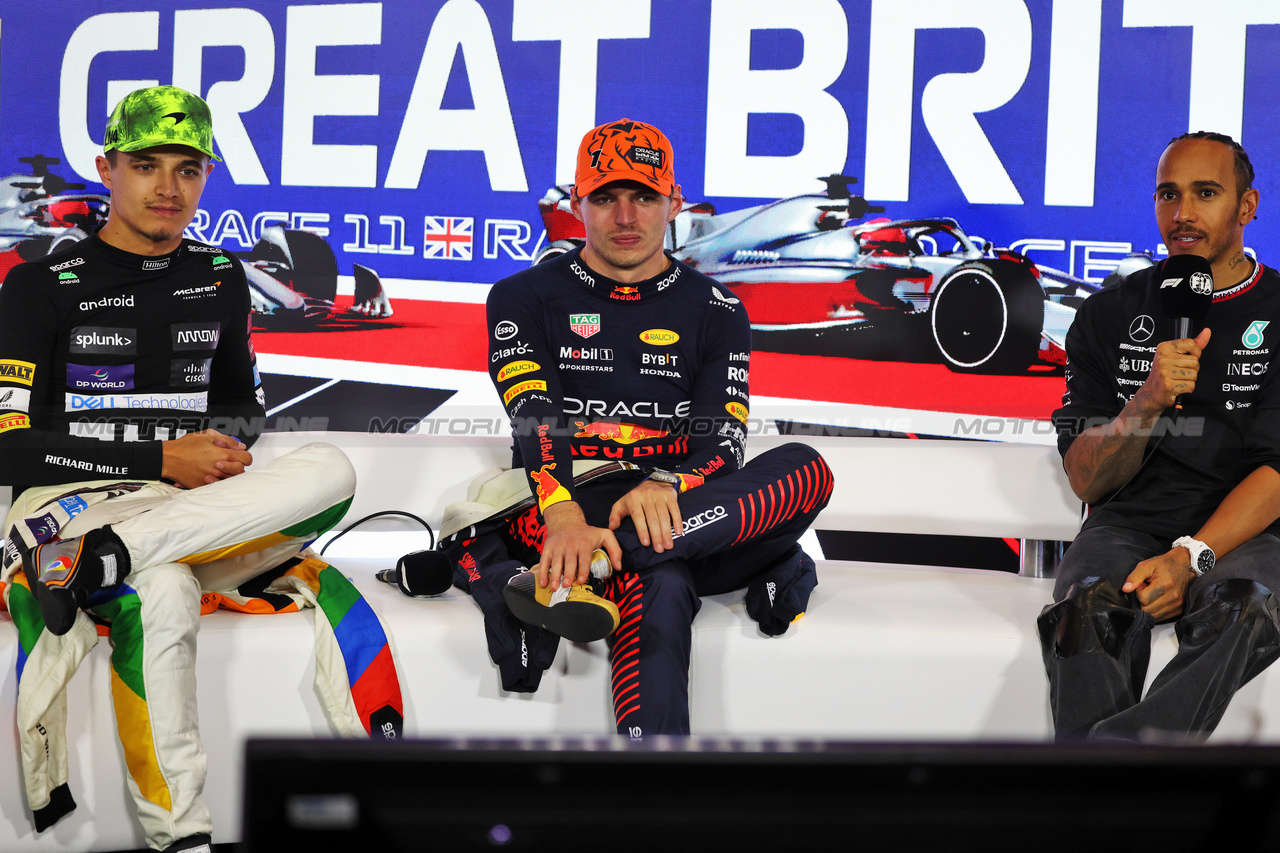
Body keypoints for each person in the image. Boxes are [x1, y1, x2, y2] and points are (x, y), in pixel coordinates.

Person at [0, 86, 402, 853]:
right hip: (71, 507)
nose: (167, 187)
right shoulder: (37, 284)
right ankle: (184, 841)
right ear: (106, 169)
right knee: (165, 587)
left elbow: (243, 415)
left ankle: (101, 565)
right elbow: (6, 445)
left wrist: (224, 451)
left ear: (206, 177)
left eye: (188, 169)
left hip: (176, 513)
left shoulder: (220, 276)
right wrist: (159, 457)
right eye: (146, 165)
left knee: (331, 467)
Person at [451, 118, 833, 737]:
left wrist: (670, 483)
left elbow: (722, 441)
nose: (625, 216)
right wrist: (565, 515)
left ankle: (608, 562)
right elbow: (535, 421)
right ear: (578, 205)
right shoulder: (523, 296)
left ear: (673, 204)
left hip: (681, 515)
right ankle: (653, 801)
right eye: (604, 197)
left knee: (806, 465)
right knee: (663, 578)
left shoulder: (717, 308)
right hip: (566, 516)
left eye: (644, 197)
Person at [1039, 131, 1280, 741]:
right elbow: (1088, 478)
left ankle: (1109, 773)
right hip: (1125, 527)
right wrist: (1145, 402)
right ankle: (1129, 809)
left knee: (1245, 603)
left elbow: (1278, 474)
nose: (1184, 215)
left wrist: (1189, 556)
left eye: (1206, 193)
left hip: (1246, 535)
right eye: (1168, 195)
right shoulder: (1107, 312)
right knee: (1087, 606)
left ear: (1247, 206)